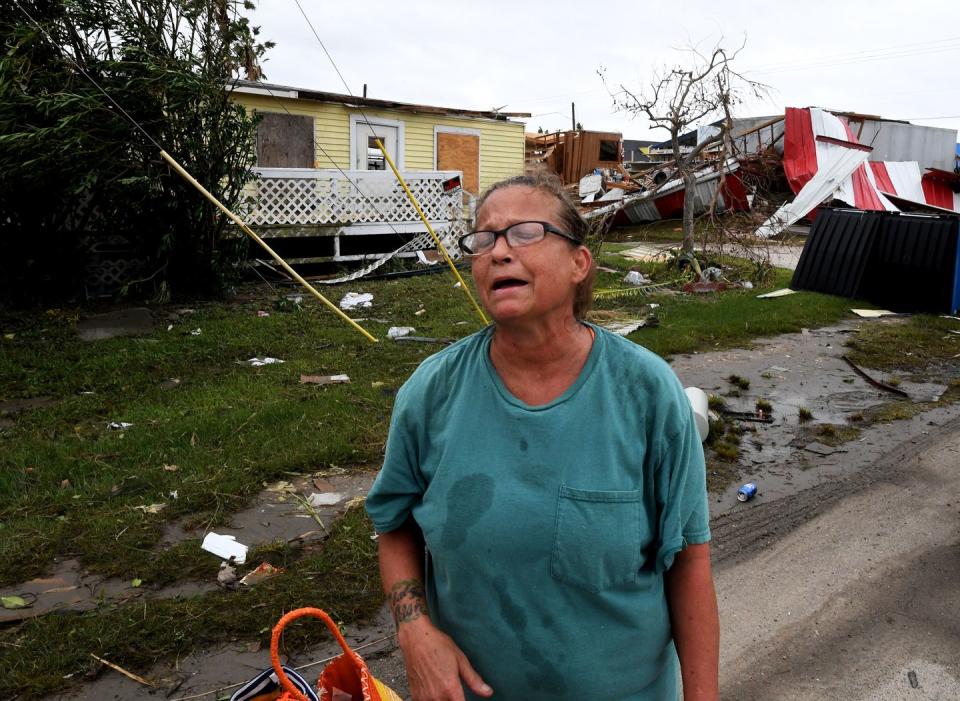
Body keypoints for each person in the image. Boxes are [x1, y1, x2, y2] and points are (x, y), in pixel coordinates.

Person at [365, 172, 719, 700]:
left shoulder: (646, 392)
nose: (498, 252)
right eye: (483, 240)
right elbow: (393, 525)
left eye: (525, 232)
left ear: (580, 263)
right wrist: (414, 630)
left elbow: (689, 563)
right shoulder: (430, 394)